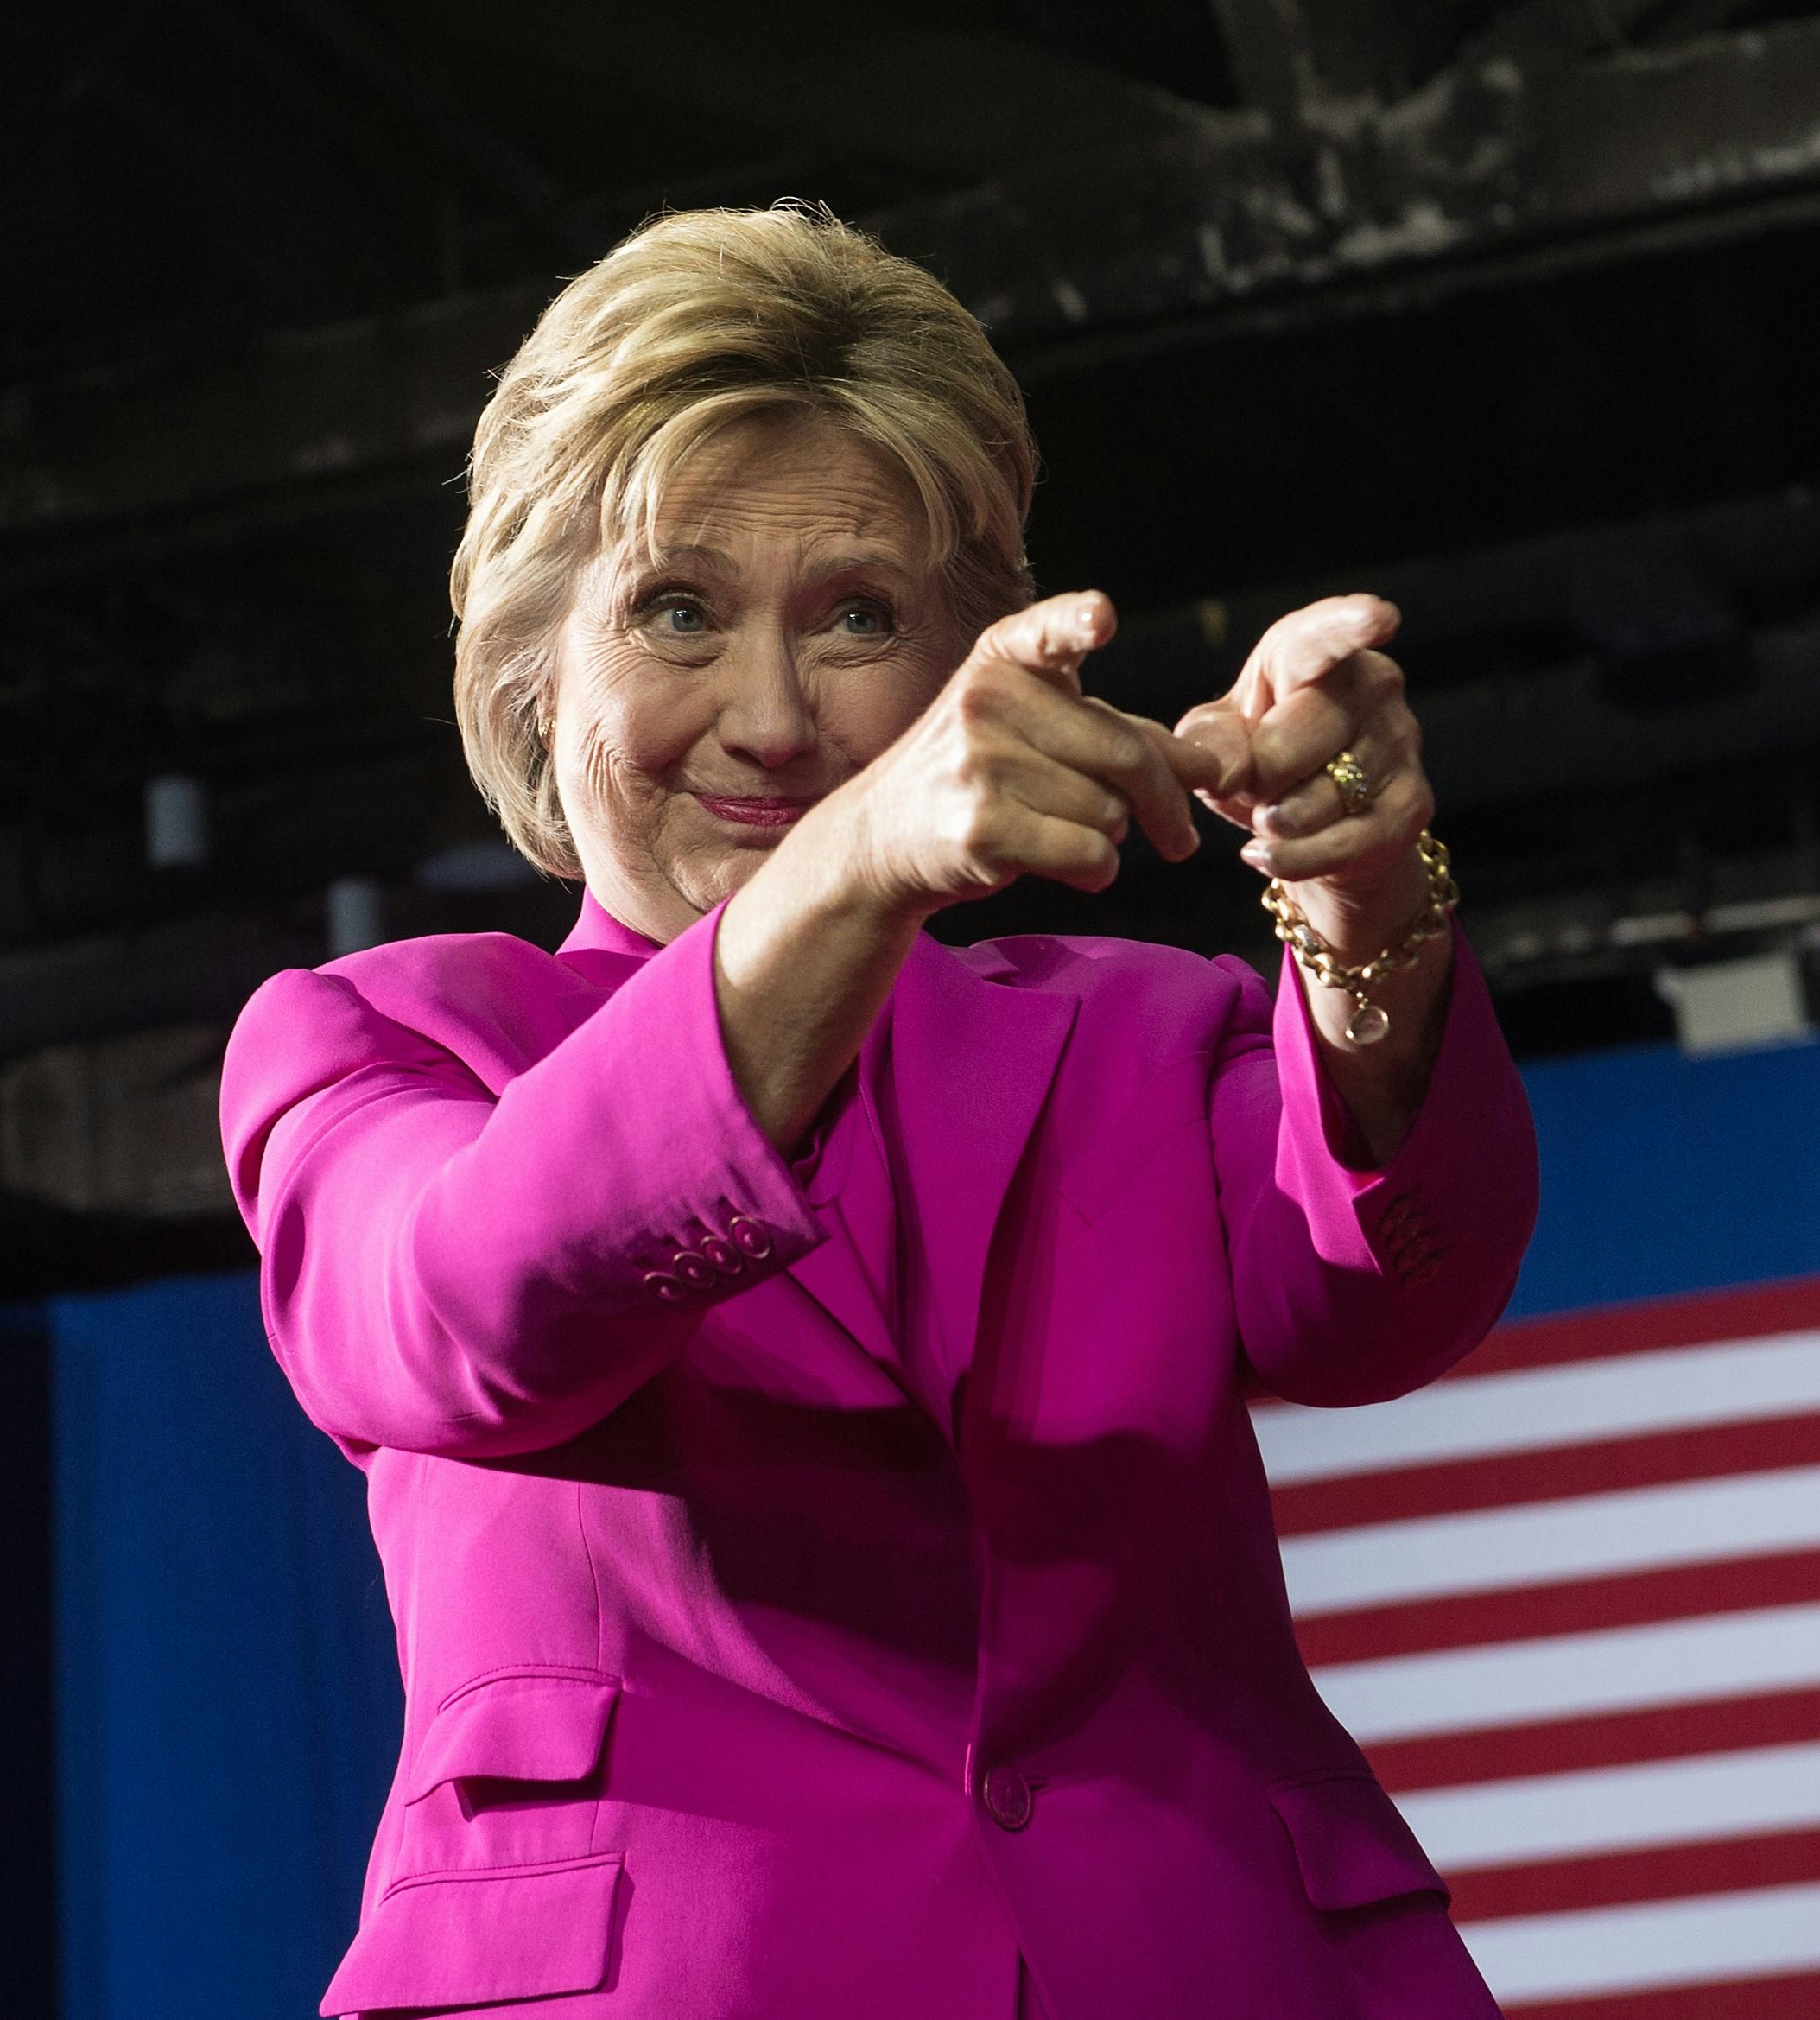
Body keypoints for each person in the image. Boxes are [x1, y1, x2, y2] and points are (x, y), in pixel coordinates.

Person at [219, 203, 1538, 2020]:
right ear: (534, 662)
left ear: (967, 663)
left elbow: (1384, 1297)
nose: (773, 719)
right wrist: (853, 867)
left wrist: (1364, 892)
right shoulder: (385, 1038)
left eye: (858, 616)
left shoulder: (1142, 1033)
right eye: (678, 609)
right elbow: (465, 1312)